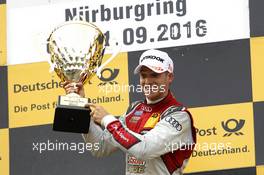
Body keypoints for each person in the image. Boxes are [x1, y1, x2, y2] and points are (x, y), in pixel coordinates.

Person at [64, 49, 196, 175]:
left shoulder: (179, 115)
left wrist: (107, 119)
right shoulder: (134, 109)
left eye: (155, 75)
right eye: (143, 75)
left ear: (170, 77)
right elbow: (100, 147)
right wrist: (80, 107)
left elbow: (144, 150)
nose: (148, 81)